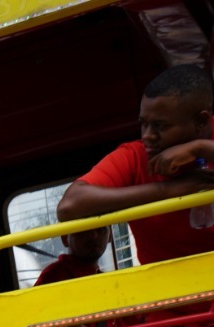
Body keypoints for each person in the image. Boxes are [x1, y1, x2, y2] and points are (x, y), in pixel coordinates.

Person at [56, 64, 214, 265]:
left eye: (160, 126)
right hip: (171, 290)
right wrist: (171, 190)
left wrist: (198, 148)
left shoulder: (205, 144)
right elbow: (69, 206)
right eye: (144, 124)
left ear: (201, 122)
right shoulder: (135, 155)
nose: (147, 136)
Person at [35, 228, 111, 286]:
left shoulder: (105, 278)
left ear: (110, 235)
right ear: (65, 238)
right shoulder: (53, 276)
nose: (94, 235)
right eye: (83, 229)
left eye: (101, 229)